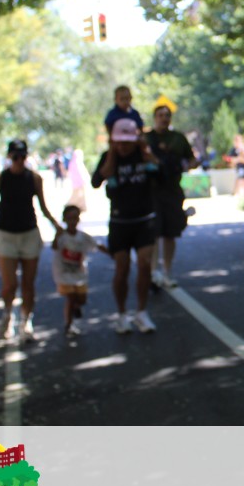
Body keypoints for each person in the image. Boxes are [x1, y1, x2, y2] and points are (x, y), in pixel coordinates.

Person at [0, 140, 61, 341]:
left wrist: (57, 227)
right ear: (9, 157)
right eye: (15, 157)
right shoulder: (0, 178)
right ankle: (7, 314)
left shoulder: (34, 178)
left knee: (28, 284)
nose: (19, 161)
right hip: (6, 234)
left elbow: (43, 206)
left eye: (22, 156)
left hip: (29, 233)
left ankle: (26, 321)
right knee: (10, 284)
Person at [91, 118, 161, 334]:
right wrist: (112, 154)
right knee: (122, 269)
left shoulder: (143, 154)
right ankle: (122, 314)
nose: (123, 146)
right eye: (119, 142)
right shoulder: (109, 156)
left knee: (144, 264)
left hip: (144, 220)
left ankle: (141, 312)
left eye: (127, 142)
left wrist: (147, 152)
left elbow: (162, 174)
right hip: (120, 222)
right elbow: (96, 182)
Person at [144, 103, 198, 289]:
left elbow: (191, 159)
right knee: (153, 233)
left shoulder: (178, 138)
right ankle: (153, 272)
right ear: (155, 118)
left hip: (173, 190)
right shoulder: (146, 138)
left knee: (170, 233)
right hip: (151, 191)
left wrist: (189, 164)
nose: (164, 118)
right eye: (160, 115)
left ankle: (167, 271)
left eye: (167, 115)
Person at [52, 205, 107, 337]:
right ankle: (68, 324)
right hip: (64, 274)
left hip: (79, 274)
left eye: (75, 218)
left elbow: (96, 245)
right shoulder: (61, 236)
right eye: (69, 218)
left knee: (81, 299)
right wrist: (57, 235)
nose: (72, 221)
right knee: (70, 298)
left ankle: (77, 307)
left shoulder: (83, 237)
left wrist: (111, 253)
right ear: (64, 219)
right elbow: (54, 247)